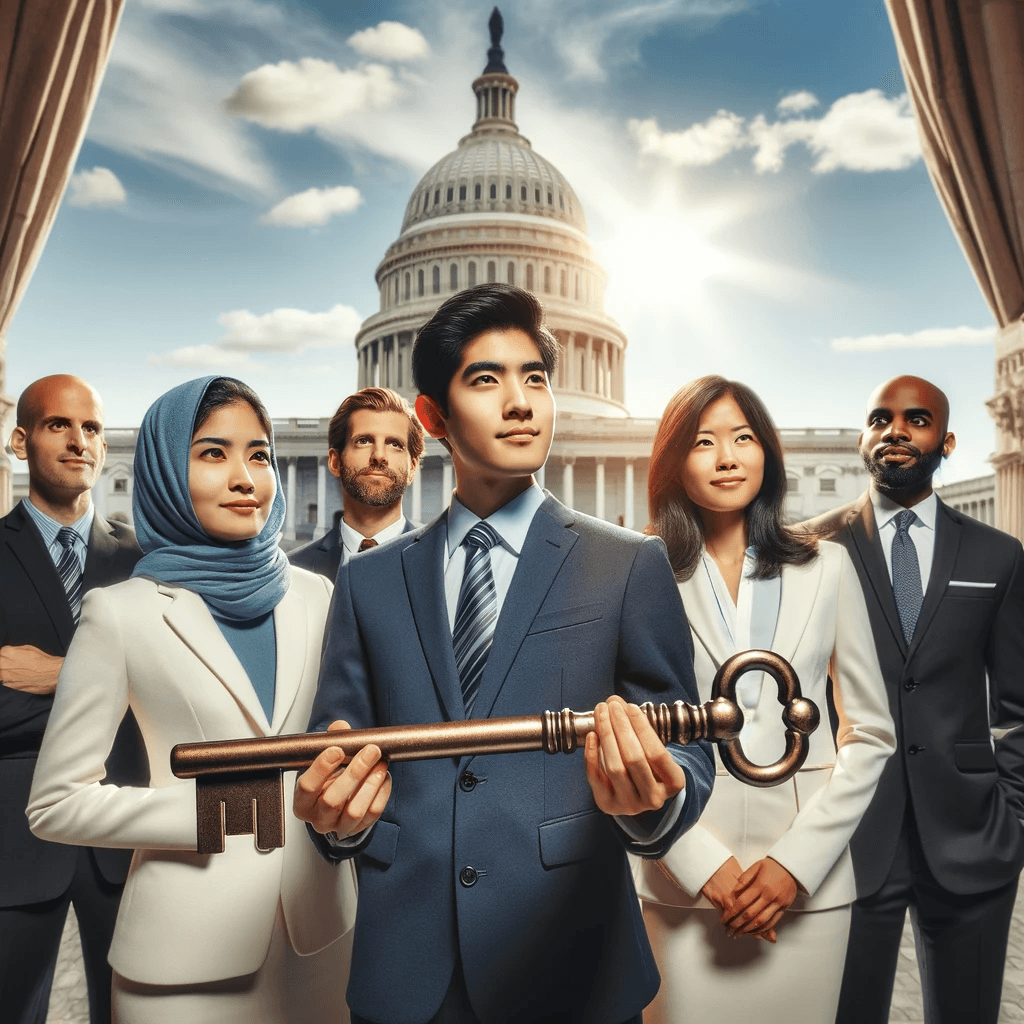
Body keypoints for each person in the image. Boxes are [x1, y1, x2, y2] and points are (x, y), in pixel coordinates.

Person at [293, 283, 716, 1024]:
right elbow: (341, 750)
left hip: (574, 966)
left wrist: (653, 801)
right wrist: (340, 816)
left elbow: (685, 750)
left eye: (536, 378)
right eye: (486, 379)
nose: (520, 401)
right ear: (432, 415)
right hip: (409, 972)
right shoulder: (368, 581)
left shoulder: (628, 564)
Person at [27, 376, 356, 1024]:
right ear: (165, 472)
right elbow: (55, 802)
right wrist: (208, 814)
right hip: (182, 962)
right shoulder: (118, 615)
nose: (245, 478)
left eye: (259, 454)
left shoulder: (318, 595)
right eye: (212, 453)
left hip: (324, 944)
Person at [634, 375, 895, 1024]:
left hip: (810, 888)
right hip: (682, 889)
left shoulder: (829, 566)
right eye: (703, 442)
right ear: (673, 462)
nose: (728, 456)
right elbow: (627, 741)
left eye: (743, 438)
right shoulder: (638, 575)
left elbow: (871, 734)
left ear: (768, 454)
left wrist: (793, 865)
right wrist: (700, 865)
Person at [801, 375, 1024, 1024]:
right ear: (863, 441)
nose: (895, 430)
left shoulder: (999, 555)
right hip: (846, 839)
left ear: (947, 440)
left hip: (974, 838)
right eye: (879, 419)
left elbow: (1018, 705)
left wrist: (1012, 820)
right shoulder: (812, 550)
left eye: (916, 418)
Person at [0, 374, 144, 1024]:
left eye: (92, 429)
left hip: (126, 837)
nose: (80, 440)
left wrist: (58, 676)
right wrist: (118, 688)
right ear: (20, 439)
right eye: (60, 424)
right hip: (15, 835)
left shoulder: (147, 563)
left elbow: (164, 701)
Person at [289, 386, 423, 579]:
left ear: (413, 467)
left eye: (395, 444)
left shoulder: (447, 563)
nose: (379, 456)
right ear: (335, 462)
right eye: (363, 441)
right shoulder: (294, 571)